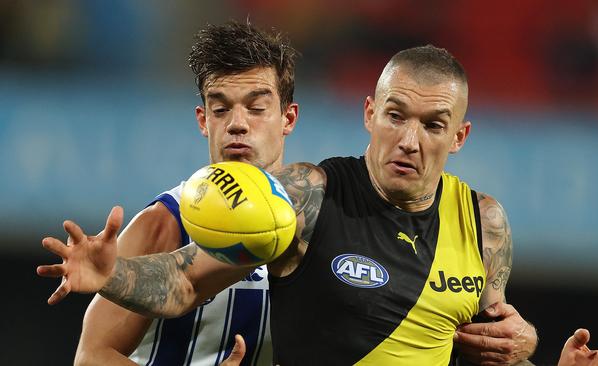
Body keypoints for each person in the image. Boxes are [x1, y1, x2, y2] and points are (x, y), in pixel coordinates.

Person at [39, 42, 566, 365]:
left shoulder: (485, 224)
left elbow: (494, 350)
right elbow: (184, 280)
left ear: (459, 136)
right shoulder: (306, 196)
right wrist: (113, 274)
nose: (409, 140)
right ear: (369, 113)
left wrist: (532, 348)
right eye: (395, 116)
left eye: (432, 125)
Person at [73, 22, 299, 366]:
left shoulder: (312, 221)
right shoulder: (166, 221)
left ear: (288, 118)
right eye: (220, 109)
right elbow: (91, 357)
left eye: (256, 108)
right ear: (203, 120)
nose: (237, 124)